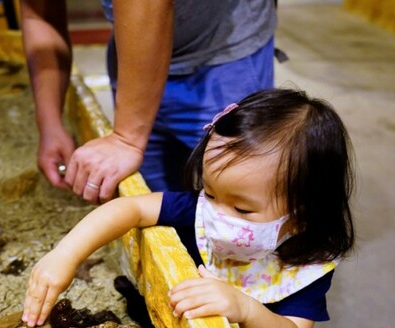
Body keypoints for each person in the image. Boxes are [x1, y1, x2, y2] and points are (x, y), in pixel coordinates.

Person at [22, 88, 355, 328]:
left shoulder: (306, 266)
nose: (216, 214)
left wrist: (245, 308)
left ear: (301, 217)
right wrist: (65, 254)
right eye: (210, 193)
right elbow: (130, 209)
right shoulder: (199, 212)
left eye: (242, 208)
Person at [19, 0, 277, 203]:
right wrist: (50, 123)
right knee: (153, 193)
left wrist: (126, 138)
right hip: (134, 54)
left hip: (224, 56)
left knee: (245, 193)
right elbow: (39, 13)